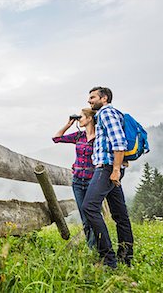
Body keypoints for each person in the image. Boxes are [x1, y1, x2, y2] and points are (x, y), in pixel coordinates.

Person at [83, 86, 134, 269]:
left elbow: (119, 142)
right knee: (120, 214)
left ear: (104, 98)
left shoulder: (106, 112)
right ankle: (126, 258)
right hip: (111, 168)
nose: (89, 101)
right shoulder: (108, 114)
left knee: (89, 207)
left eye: (92, 97)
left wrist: (115, 170)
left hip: (107, 169)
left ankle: (108, 259)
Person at [52, 108, 97, 249]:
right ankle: (92, 247)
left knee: (91, 213)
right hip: (77, 181)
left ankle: (97, 244)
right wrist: (68, 124)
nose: (80, 119)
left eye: (82, 116)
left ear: (90, 119)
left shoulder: (99, 137)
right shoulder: (79, 136)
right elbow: (56, 138)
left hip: (92, 180)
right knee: (84, 215)